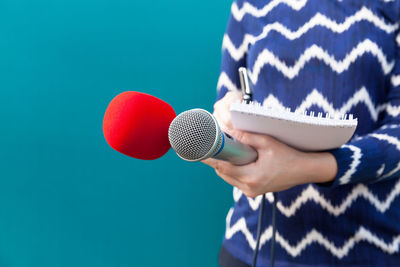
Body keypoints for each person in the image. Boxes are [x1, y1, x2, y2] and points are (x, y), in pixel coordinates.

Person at [202, 0, 400, 266]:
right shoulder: (247, 5)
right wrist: (229, 112)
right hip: (251, 245)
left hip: (368, 249)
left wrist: (306, 167)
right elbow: (230, 92)